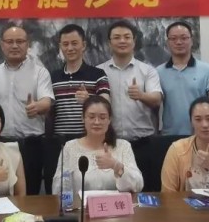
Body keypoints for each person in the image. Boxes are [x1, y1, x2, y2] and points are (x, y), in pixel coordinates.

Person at [0, 25, 53, 194]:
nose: (14, 46)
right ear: (2, 44)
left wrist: (37, 106)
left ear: (28, 44)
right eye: (9, 41)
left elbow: (47, 101)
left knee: (30, 194)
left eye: (20, 41)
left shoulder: (40, 73)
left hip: (31, 145)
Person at [97, 20, 162, 190]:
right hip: (111, 145)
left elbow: (157, 99)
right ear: (109, 43)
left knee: (145, 193)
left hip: (143, 144)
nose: (122, 41)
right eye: (117, 37)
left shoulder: (147, 70)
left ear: (134, 41)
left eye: (127, 37)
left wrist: (141, 95)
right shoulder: (99, 72)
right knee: (112, 192)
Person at [46, 24, 110, 194]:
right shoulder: (52, 77)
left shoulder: (97, 74)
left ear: (84, 45)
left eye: (74, 43)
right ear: (60, 47)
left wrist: (89, 100)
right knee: (59, 190)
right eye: (65, 44)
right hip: (58, 142)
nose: (70, 48)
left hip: (88, 141)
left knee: (88, 184)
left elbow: (106, 104)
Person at [52, 95, 142, 194]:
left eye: (102, 117)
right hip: (80, 203)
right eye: (91, 117)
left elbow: (138, 186)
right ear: (83, 118)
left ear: (109, 120)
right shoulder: (70, 148)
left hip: (115, 203)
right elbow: (57, 189)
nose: (97, 122)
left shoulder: (123, 146)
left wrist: (115, 165)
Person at [156, 21, 209, 136]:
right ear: (167, 43)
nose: (179, 42)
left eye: (184, 38)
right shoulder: (159, 71)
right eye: (173, 38)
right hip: (170, 134)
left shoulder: (207, 69)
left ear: (191, 40)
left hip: (200, 134)